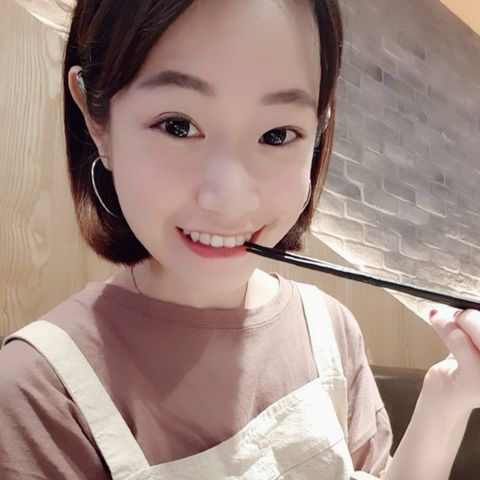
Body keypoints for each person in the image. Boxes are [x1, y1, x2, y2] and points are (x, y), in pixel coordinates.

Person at [0, 1, 478, 479]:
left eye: (277, 134)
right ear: (95, 117)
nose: (229, 199)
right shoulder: (37, 392)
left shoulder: (329, 330)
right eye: (177, 125)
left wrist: (450, 396)